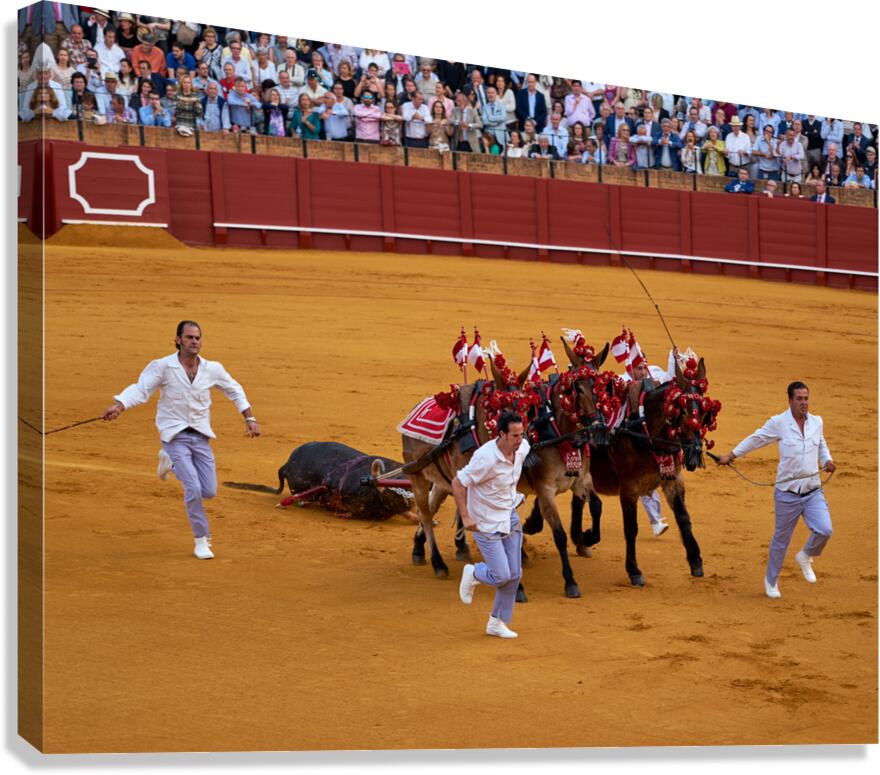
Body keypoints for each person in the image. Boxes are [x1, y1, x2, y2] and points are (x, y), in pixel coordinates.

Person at [101, 321, 260, 560]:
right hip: (174, 436)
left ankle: (170, 463)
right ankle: (201, 539)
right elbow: (141, 389)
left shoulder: (212, 369)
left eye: (197, 338)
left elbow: (234, 389)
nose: (194, 341)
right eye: (189, 337)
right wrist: (119, 405)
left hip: (200, 437)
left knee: (209, 490)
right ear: (178, 340)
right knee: (193, 488)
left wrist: (250, 418)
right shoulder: (163, 366)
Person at [717, 382, 835, 599]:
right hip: (787, 493)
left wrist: (827, 460)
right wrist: (731, 456)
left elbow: (821, 444)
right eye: (799, 399)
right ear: (790, 400)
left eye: (806, 398)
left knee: (825, 530)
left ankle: (806, 555)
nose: (804, 403)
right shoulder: (779, 423)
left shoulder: (817, 422)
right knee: (781, 540)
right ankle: (771, 581)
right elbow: (757, 439)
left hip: (812, 491)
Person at [453, 411, 528, 639]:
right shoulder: (484, 458)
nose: (519, 439)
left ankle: (497, 622)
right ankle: (474, 572)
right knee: (501, 574)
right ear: (502, 434)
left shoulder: (523, 448)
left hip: (509, 517)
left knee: (514, 574)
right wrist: (465, 517)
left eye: (521, 434)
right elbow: (458, 483)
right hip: (485, 523)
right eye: (514, 435)